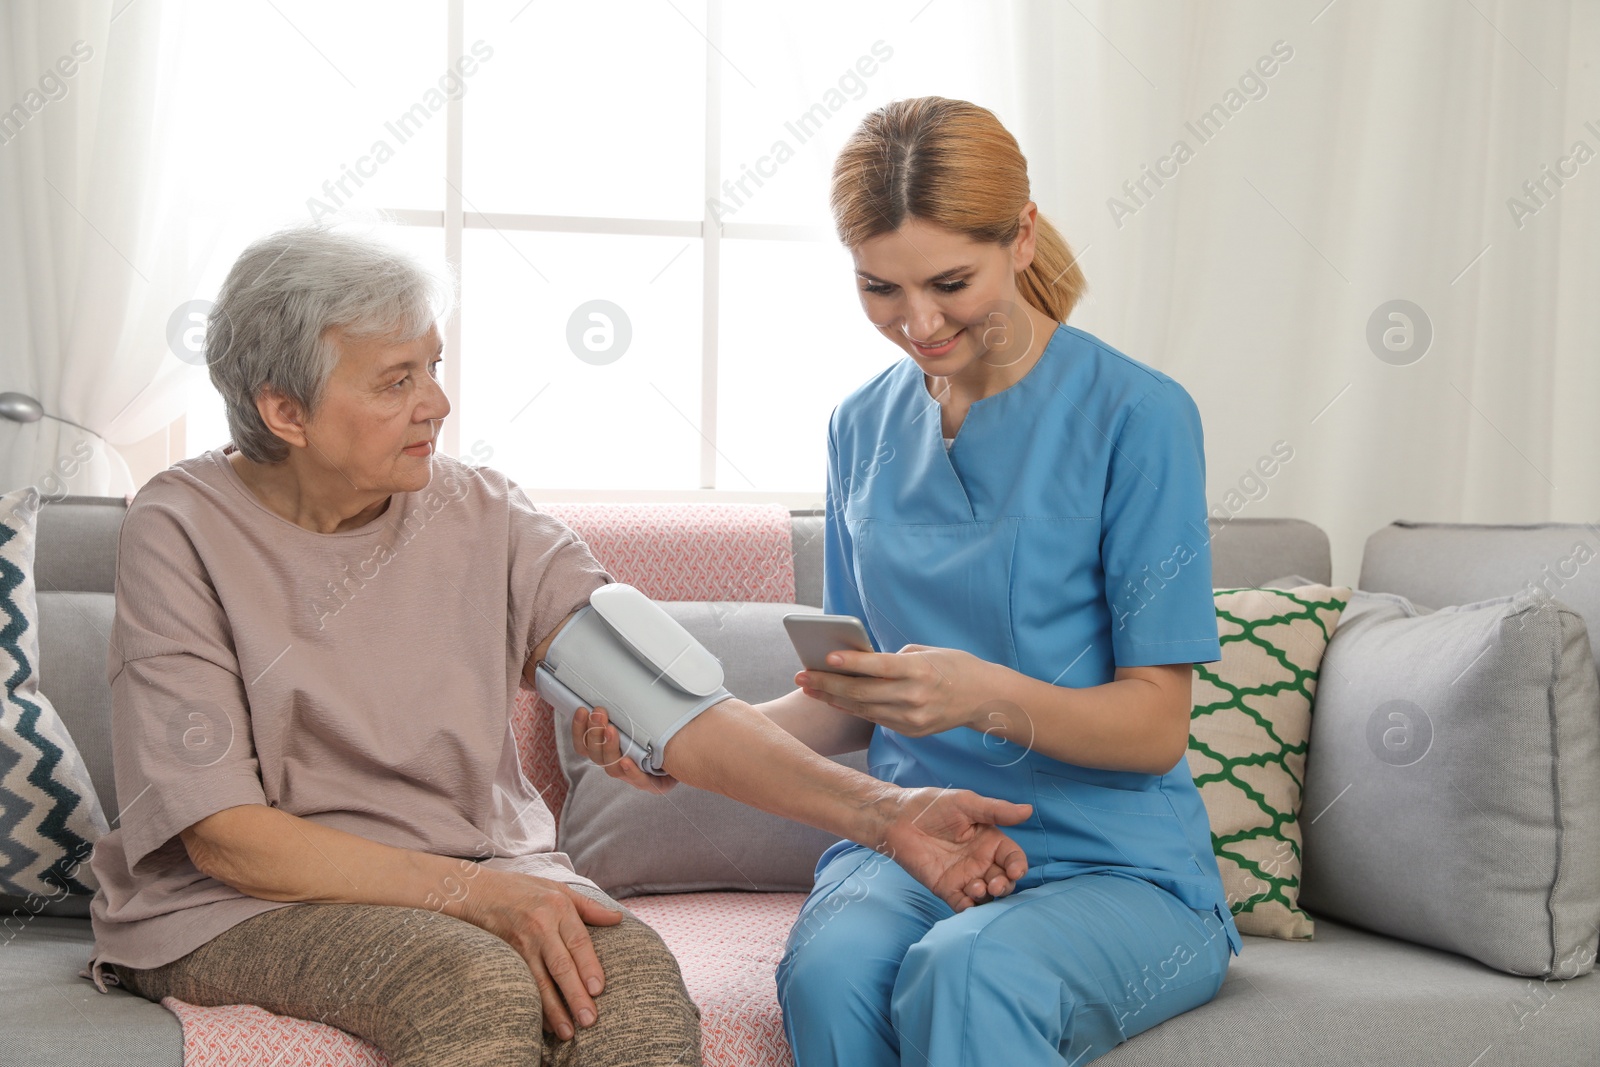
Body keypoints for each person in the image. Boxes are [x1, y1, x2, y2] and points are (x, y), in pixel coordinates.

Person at [84, 222, 1036, 1067]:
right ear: (284, 412)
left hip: (491, 872)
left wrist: (888, 813)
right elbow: (227, 837)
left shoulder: (480, 510)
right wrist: (468, 898)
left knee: (631, 989)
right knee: (470, 982)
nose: (438, 403)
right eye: (396, 380)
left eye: (434, 364)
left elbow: (671, 709)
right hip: (245, 902)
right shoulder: (182, 525)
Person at [579, 96, 1240, 1066]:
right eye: (880, 287)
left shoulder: (1138, 416)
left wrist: (982, 693)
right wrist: (680, 743)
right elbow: (854, 701)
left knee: (971, 968)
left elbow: (1153, 727)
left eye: (949, 281)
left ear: (1020, 237)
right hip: (916, 839)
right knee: (832, 968)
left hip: (1116, 862)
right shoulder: (860, 425)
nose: (917, 321)